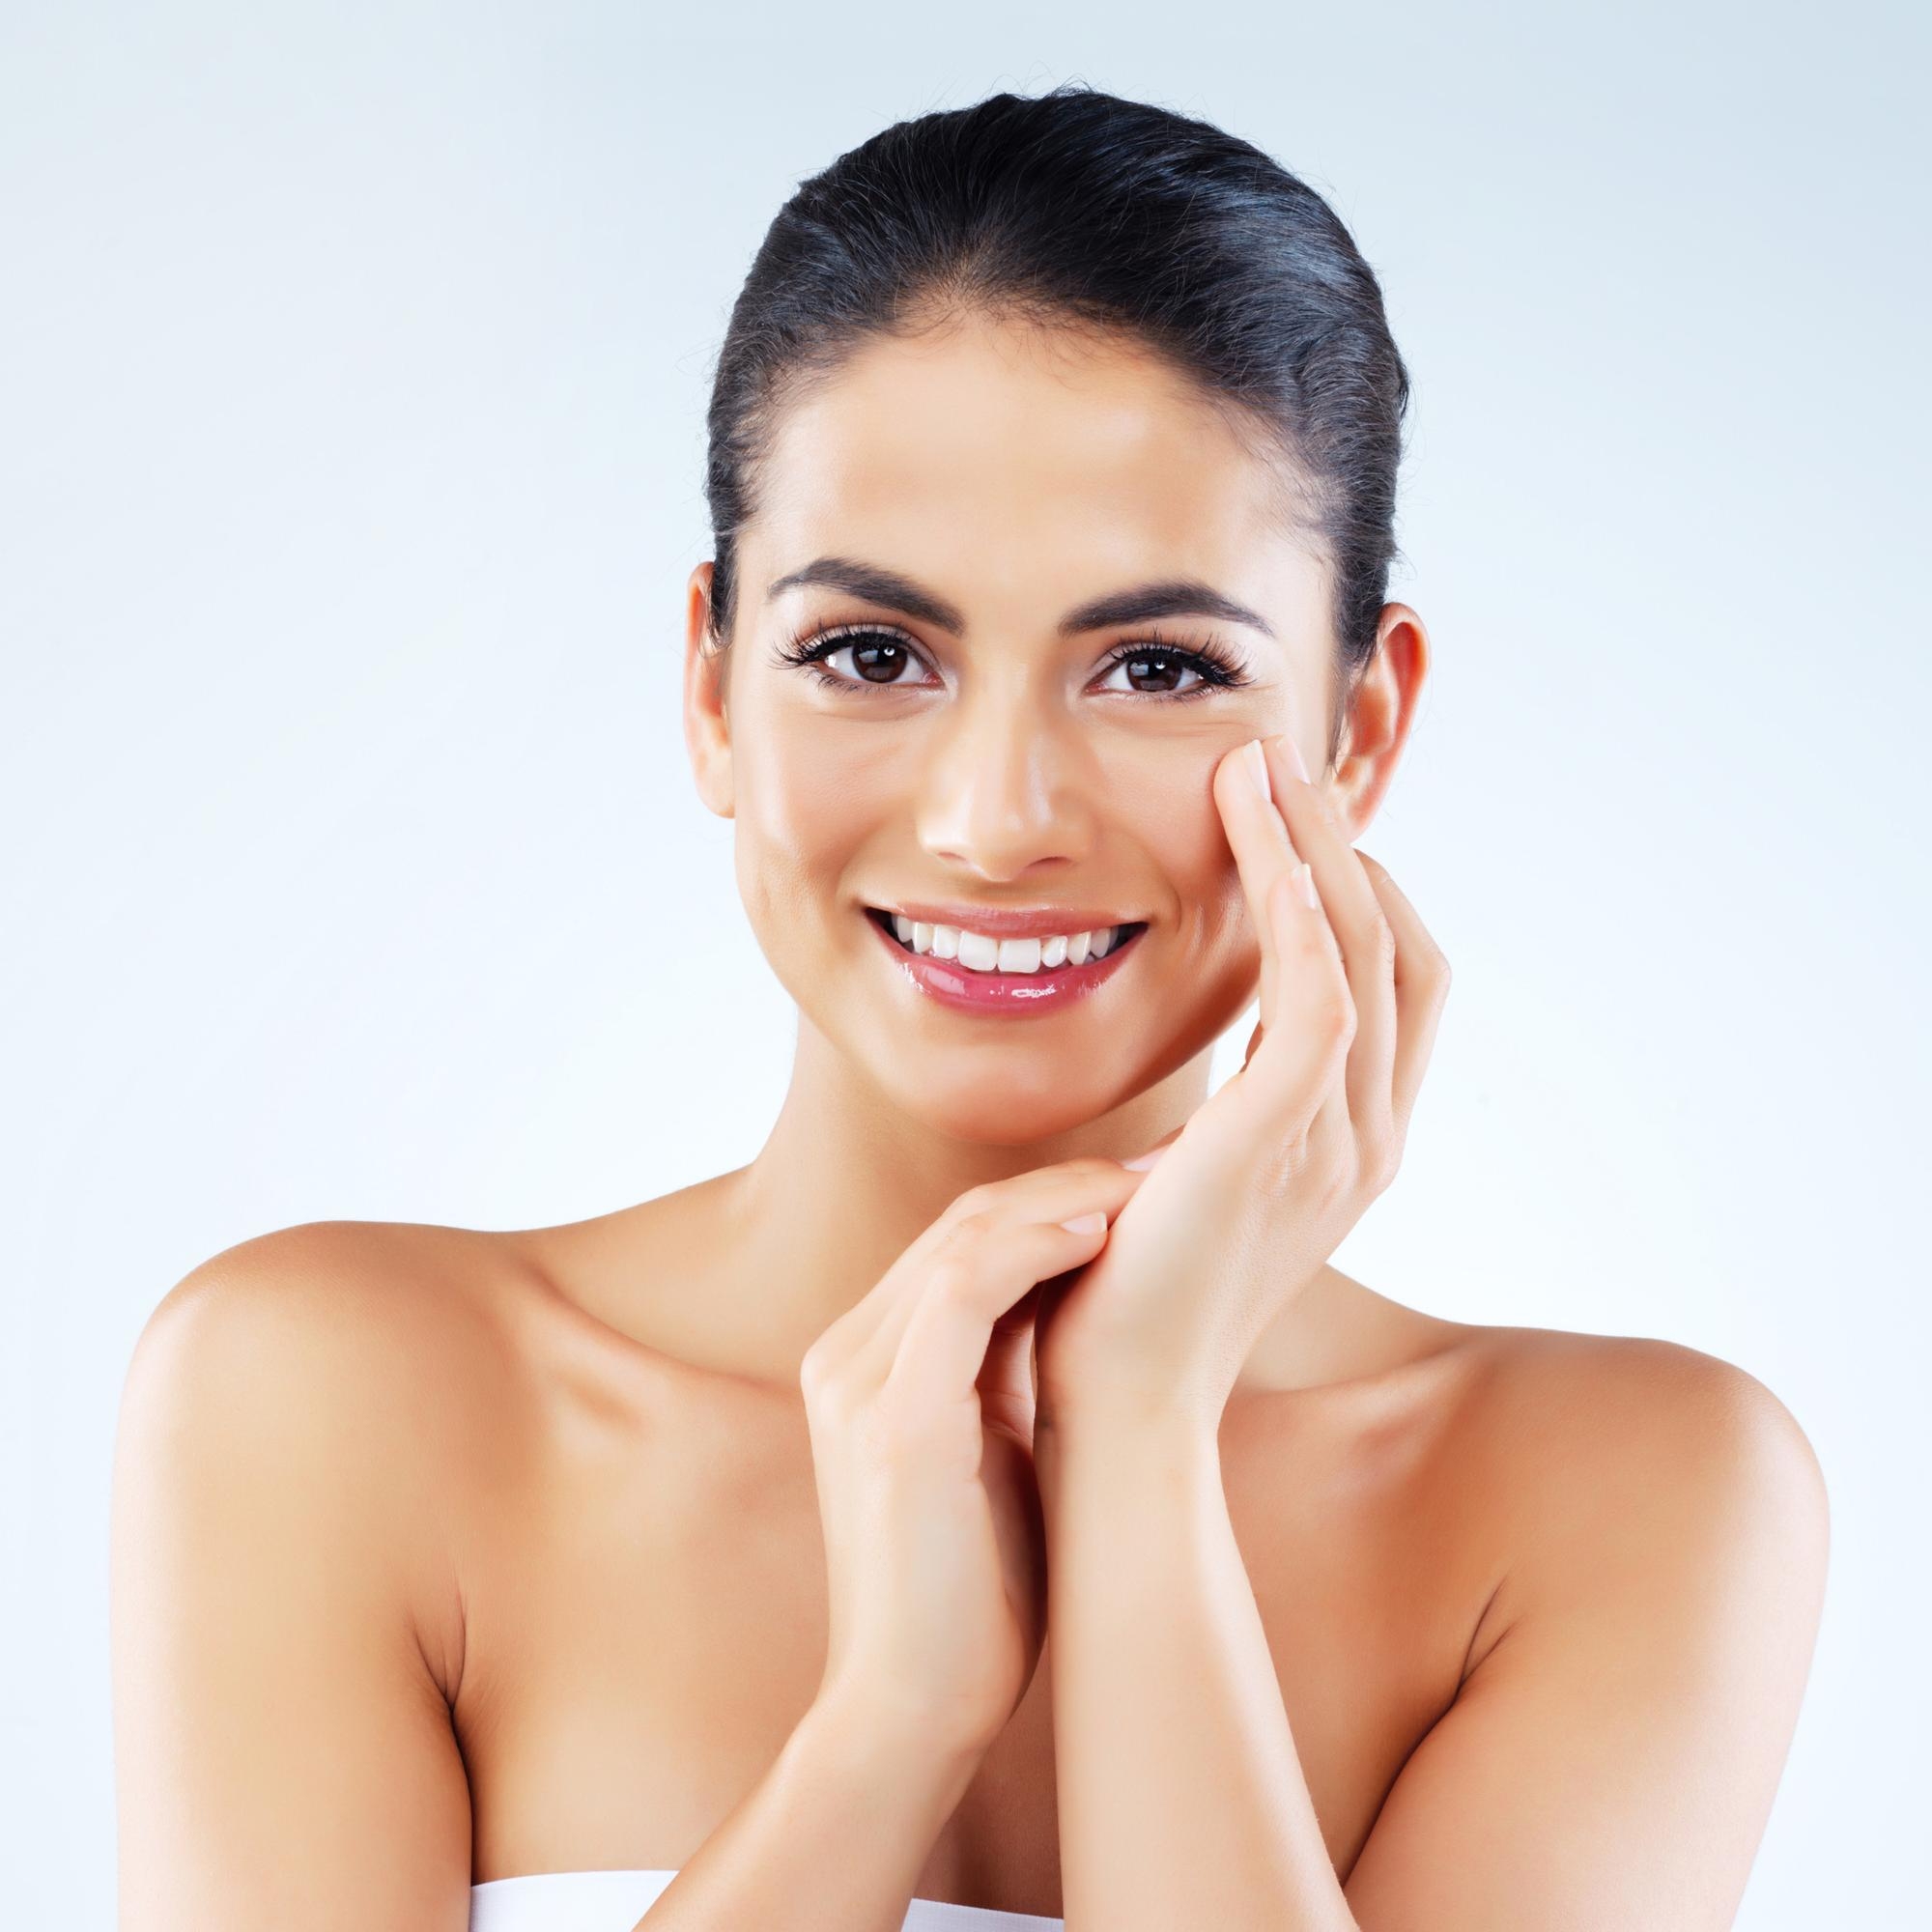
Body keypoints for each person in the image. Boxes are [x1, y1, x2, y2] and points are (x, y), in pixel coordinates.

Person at [109, 83, 1829, 1932]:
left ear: (1362, 727)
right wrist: (891, 1720)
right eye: (871, 652)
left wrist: (1143, 1442)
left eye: (1158, 666)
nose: (995, 817)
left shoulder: (1626, 1499)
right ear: (710, 689)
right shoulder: (335, 1400)